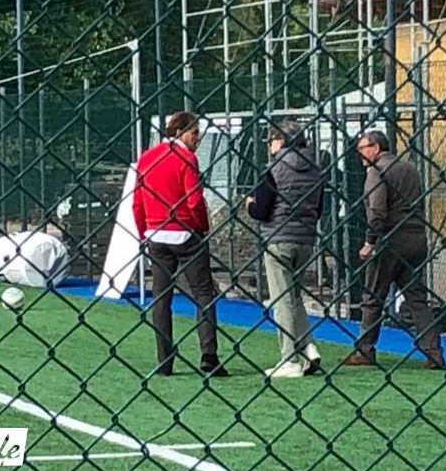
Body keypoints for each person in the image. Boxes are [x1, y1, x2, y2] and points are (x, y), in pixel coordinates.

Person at [132, 111, 229, 377]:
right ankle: (208, 355)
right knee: (203, 293)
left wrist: (144, 232)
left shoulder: (147, 158)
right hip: (185, 233)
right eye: (195, 133)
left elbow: (137, 202)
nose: (198, 138)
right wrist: (202, 227)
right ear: (180, 132)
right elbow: (194, 200)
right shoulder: (186, 158)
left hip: (156, 234)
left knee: (161, 298)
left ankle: (164, 360)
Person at [344, 129, 446, 370]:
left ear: (376, 148)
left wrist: (370, 242)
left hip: (389, 240)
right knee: (417, 299)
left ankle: (365, 350)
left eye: (363, 148)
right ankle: (434, 353)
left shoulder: (376, 171)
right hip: (416, 238)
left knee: (372, 297)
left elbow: (377, 211)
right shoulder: (409, 169)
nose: (360, 153)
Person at [246, 120, 324, 378]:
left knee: (282, 299)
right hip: (305, 238)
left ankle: (289, 358)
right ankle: (308, 347)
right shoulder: (315, 170)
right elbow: (320, 207)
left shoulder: (274, 170)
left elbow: (262, 210)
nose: (270, 145)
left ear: (281, 141)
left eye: (272, 140)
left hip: (279, 238)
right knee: (294, 296)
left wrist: (249, 205)